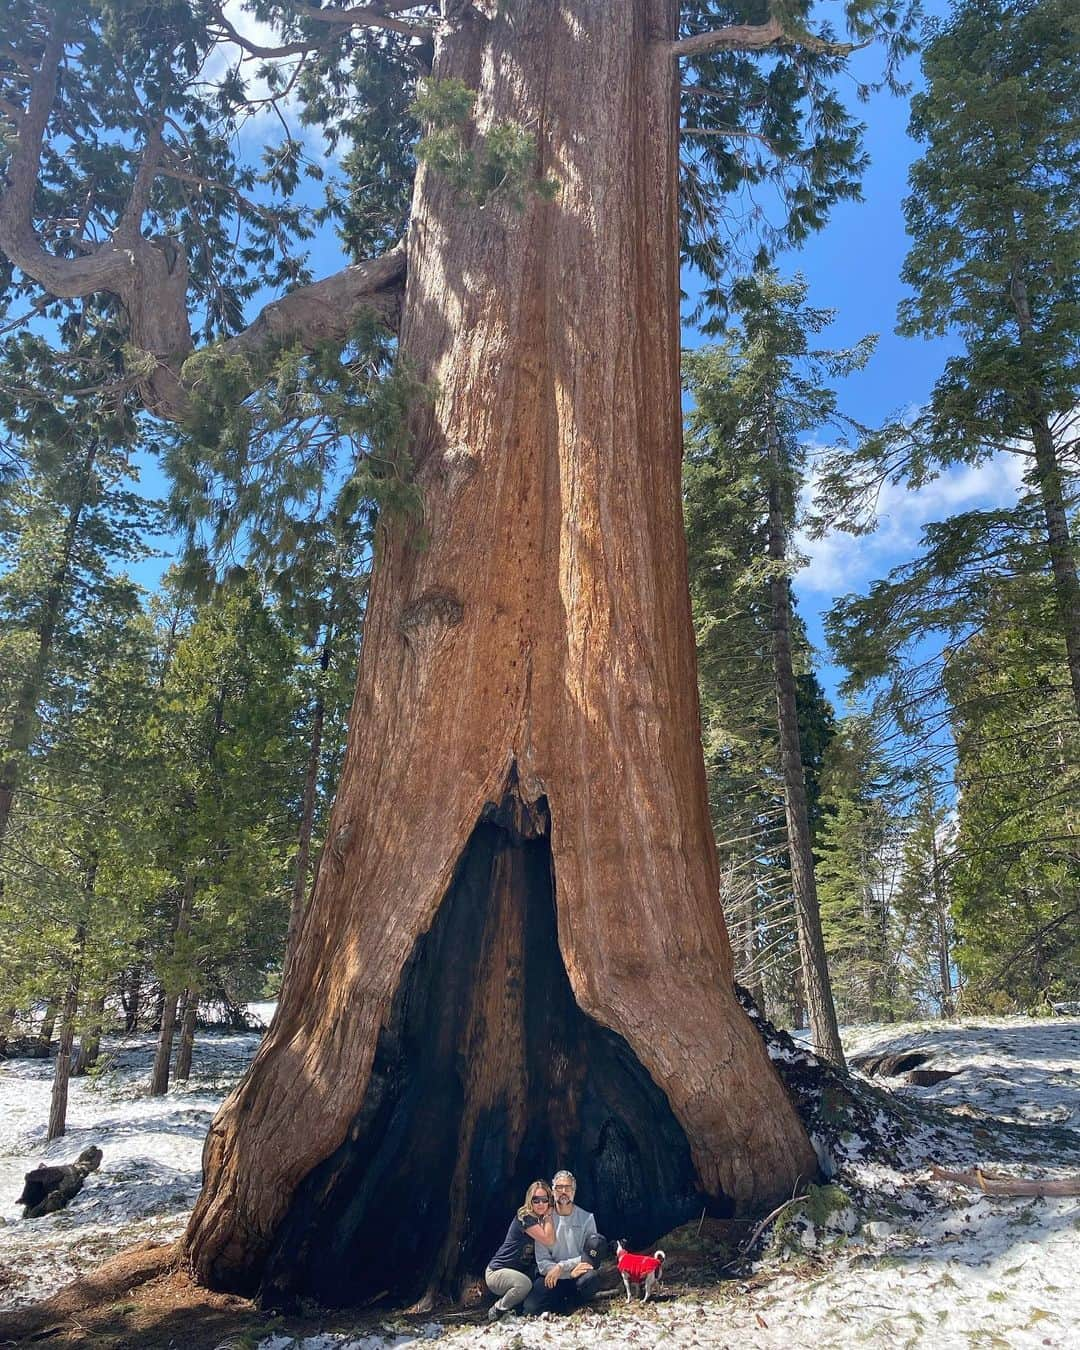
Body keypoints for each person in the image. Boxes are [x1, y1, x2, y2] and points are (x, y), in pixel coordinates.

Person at [523, 1169, 607, 1314]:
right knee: (531, 1308)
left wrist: (562, 1267)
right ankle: (562, 1305)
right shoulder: (543, 1220)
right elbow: (542, 1261)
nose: (563, 1192)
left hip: (576, 1275)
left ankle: (572, 1304)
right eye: (559, 1188)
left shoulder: (587, 1218)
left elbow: (589, 1257)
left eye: (567, 1188)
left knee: (591, 1279)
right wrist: (560, 1271)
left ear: (574, 1191)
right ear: (553, 1191)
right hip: (552, 1276)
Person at [485, 1179, 556, 1321]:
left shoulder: (541, 1220)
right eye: (536, 1200)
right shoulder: (525, 1217)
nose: (541, 1204)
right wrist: (549, 1215)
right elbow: (549, 1239)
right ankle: (498, 1309)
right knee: (524, 1284)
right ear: (530, 1200)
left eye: (544, 1200)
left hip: (519, 1271)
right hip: (497, 1272)